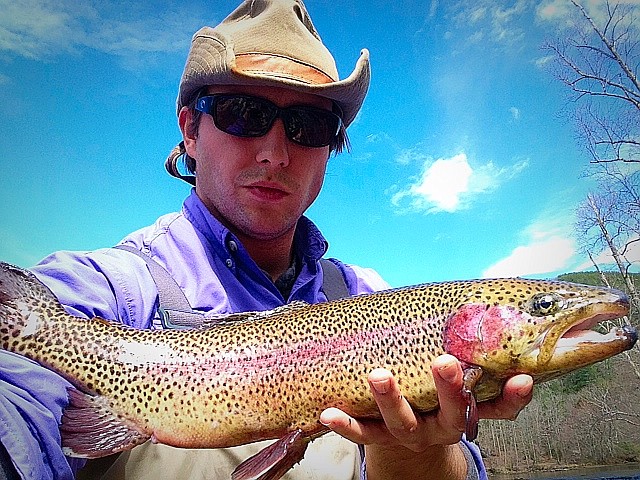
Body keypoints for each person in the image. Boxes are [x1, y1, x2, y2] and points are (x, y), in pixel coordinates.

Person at [0, 0, 534, 479]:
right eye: (244, 115)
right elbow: (18, 399)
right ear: (190, 129)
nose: (275, 154)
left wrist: (414, 448)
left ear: (331, 149)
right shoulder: (117, 290)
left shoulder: (375, 300)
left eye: (307, 125)